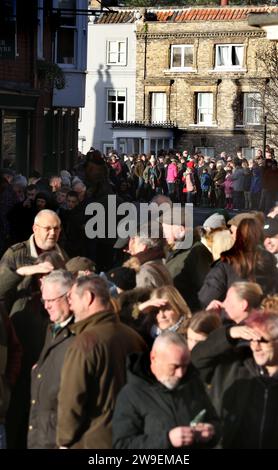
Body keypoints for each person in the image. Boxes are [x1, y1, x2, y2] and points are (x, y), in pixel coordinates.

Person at [56, 275, 146, 449]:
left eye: (72, 298)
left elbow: (72, 398)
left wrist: (64, 440)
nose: (70, 305)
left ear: (88, 297)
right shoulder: (134, 337)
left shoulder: (85, 343)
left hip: (92, 442)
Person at [112, 331, 220, 449]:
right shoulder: (131, 395)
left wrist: (211, 431)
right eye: (174, 366)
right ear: (154, 358)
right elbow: (122, 445)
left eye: (185, 366)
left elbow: (214, 421)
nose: (180, 374)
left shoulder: (192, 382)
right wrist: (167, 440)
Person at [192, 312, 278, 448]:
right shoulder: (233, 365)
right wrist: (229, 333)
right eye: (252, 340)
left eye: (263, 341)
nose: (255, 347)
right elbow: (197, 359)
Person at [28, 270, 74, 449]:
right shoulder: (52, 330)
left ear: (69, 296)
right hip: (41, 434)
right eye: (43, 300)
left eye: (51, 300)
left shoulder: (79, 335)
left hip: (60, 438)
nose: (46, 306)